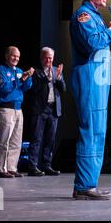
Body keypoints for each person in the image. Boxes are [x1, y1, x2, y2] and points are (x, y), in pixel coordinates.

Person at [69, 0, 111, 200]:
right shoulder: (83, 15)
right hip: (89, 80)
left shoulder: (97, 17)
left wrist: (110, 60)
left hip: (99, 81)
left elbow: (96, 49)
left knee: (99, 133)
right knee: (90, 131)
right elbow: (92, 43)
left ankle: (90, 184)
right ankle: (82, 186)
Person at [0, 46, 34, 178]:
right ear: (7, 56)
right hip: (6, 108)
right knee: (4, 140)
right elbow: (3, 87)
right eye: (13, 55)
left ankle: (11, 167)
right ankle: (1, 169)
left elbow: (26, 87)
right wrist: (20, 80)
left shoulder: (20, 71)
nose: (16, 58)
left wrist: (28, 77)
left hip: (18, 109)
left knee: (16, 141)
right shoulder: (1, 70)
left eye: (18, 57)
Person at [26, 47, 66, 176]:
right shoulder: (36, 72)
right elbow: (34, 89)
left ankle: (47, 165)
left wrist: (59, 78)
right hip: (39, 109)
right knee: (36, 138)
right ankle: (32, 166)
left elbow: (63, 89)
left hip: (53, 110)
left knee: (50, 139)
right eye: (46, 57)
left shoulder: (56, 71)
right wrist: (46, 78)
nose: (49, 60)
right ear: (41, 58)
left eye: (51, 58)